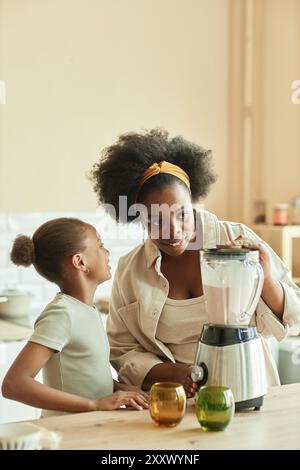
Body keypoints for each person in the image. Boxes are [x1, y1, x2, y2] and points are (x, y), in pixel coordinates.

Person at [90, 128, 300, 398]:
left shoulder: (235, 238)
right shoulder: (131, 270)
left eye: (182, 215)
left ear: (194, 203)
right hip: (175, 401)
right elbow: (121, 350)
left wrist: (267, 278)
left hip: (248, 390)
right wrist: (175, 373)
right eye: (156, 221)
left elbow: (295, 320)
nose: (173, 231)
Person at [1, 218, 148, 417]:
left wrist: (121, 389)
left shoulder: (85, 310)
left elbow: (83, 376)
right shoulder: (62, 314)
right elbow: (14, 384)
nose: (107, 252)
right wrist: (94, 405)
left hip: (89, 430)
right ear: (80, 262)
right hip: (67, 436)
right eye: (101, 245)